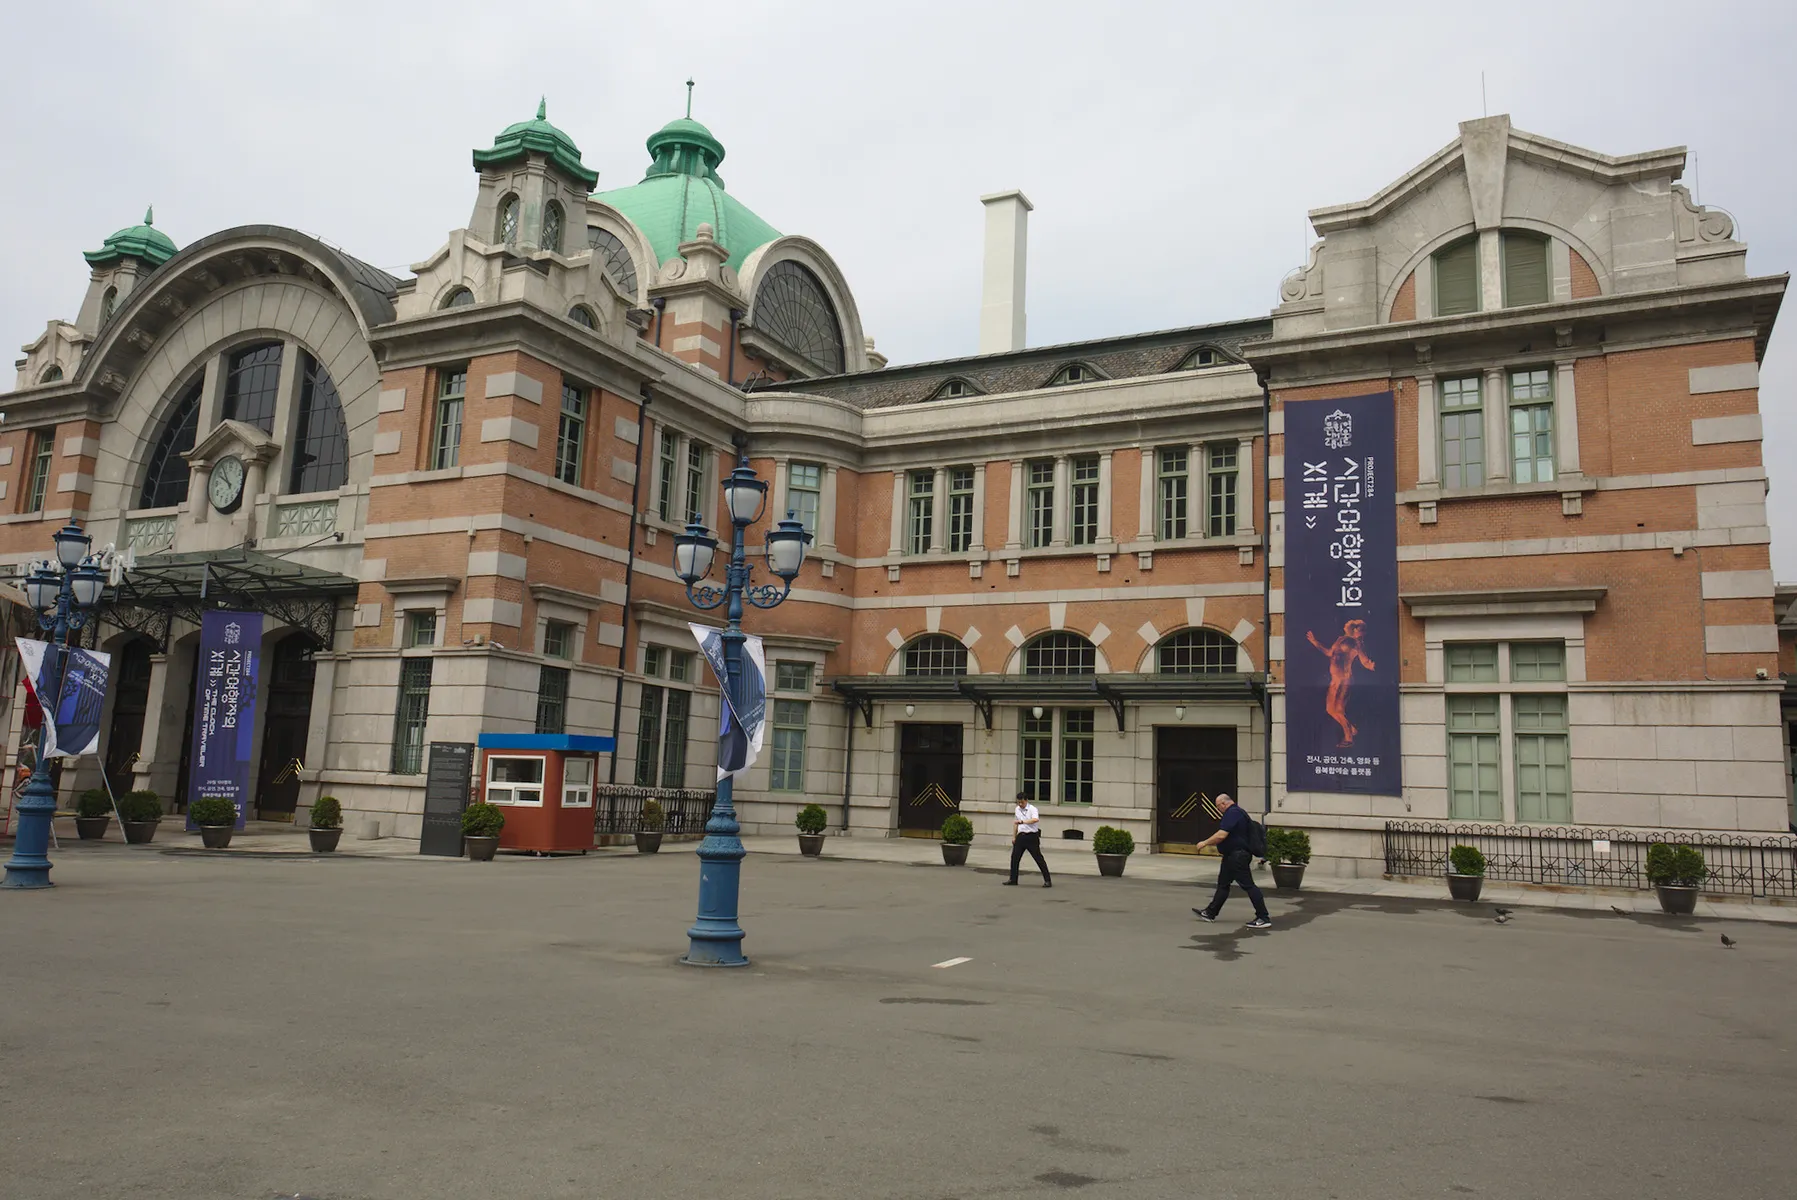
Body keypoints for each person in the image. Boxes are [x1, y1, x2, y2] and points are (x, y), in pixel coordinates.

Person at [1192, 793, 1270, 928]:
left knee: (1249, 886)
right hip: (1230, 855)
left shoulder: (1233, 813)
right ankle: (1210, 912)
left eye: (1218, 807)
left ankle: (1263, 917)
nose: (1218, 810)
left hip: (1238, 856)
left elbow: (1221, 835)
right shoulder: (1237, 813)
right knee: (1223, 884)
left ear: (1223, 803)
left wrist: (1204, 843)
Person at [1003, 790, 1051, 887]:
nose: (1020, 804)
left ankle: (1047, 880)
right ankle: (1013, 879)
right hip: (1021, 836)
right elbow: (1016, 823)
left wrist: (1023, 822)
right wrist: (1014, 836)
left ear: (1026, 800)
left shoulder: (1032, 809)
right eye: (1018, 802)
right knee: (1015, 858)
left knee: (1038, 858)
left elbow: (1035, 819)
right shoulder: (1017, 809)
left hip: (1031, 836)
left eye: (1022, 802)